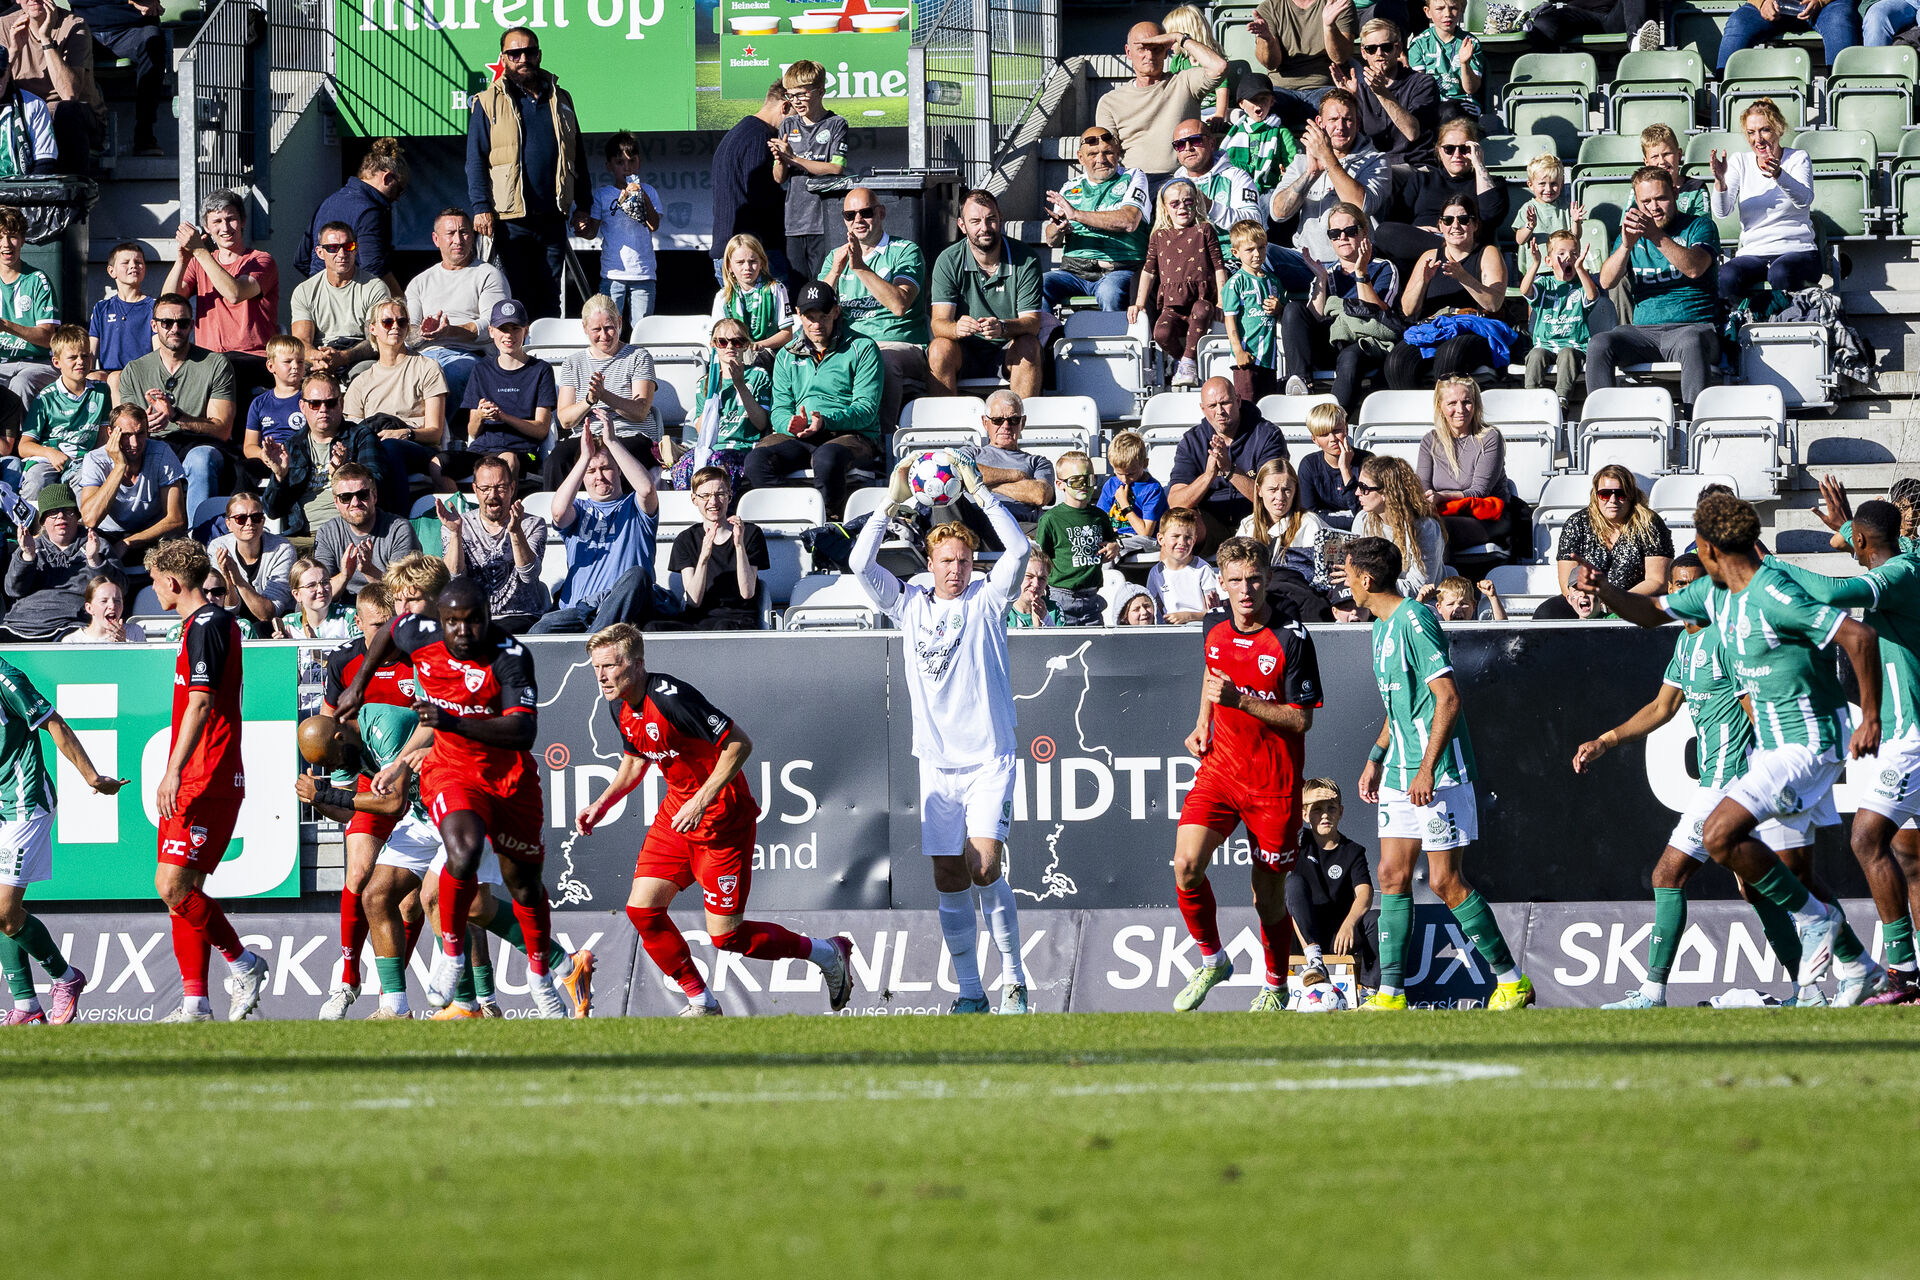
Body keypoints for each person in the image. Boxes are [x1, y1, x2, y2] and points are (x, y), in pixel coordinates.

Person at [1577, 491, 1876, 997]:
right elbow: (1651, 612)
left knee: (1718, 838)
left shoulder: (1773, 592)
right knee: (1793, 873)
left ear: (1710, 548)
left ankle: (1814, 922)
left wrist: (1869, 717)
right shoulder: (1713, 597)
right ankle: (1855, 965)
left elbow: (1859, 638)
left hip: (1808, 743)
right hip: (1776, 751)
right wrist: (1605, 588)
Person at [576, 624, 852, 1016]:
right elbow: (636, 759)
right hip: (677, 815)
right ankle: (701, 1001)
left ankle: (827, 953)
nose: (601, 675)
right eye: (595, 667)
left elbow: (740, 743)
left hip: (723, 819)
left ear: (636, 664)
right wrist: (602, 803)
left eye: (609, 665)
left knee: (726, 937)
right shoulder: (617, 702)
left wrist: (702, 799)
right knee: (642, 910)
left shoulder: (672, 699)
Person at [851, 454, 1035, 1014]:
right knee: (948, 875)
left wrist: (980, 491)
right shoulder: (908, 603)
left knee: (983, 867)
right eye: (945, 560)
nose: (954, 569)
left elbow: (1021, 551)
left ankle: (1015, 978)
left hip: (988, 757)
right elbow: (860, 564)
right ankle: (971, 992)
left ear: (973, 561)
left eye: (962, 559)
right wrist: (890, 500)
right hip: (936, 763)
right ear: (928, 562)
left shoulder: (986, 599)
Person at [335, 579, 568, 1016]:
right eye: (453, 622)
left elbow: (523, 731)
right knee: (456, 855)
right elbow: (390, 630)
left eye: (473, 621)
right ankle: (447, 965)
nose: (463, 632)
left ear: (488, 617)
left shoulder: (510, 656)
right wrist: (359, 683)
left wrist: (452, 722)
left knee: (524, 886)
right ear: (438, 620)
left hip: (508, 777)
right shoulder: (419, 634)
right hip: (452, 772)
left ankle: (543, 973)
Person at [1344, 536, 1532, 1010]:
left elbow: (1446, 698)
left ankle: (1511, 981)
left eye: (1347, 573)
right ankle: (1390, 993)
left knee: (1446, 881)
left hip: (1438, 772)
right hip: (1398, 773)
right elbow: (1399, 705)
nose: (1344, 581)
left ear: (1366, 579)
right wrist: (1375, 756)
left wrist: (1427, 768)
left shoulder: (1415, 618)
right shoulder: (1379, 627)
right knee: (1391, 874)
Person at [1171, 536, 1324, 1012]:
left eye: (1254, 579)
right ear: (1221, 581)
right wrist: (1202, 722)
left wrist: (1243, 703)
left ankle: (1276, 986)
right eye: (1235, 580)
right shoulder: (1213, 625)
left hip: (1274, 785)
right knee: (1187, 866)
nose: (1245, 589)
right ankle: (1214, 959)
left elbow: (1302, 719)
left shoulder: (1292, 638)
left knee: (1267, 899)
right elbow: (1211, 674)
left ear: (1268, 579)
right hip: (1221, 770)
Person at [146, 538, 271, 1021]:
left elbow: (201, 703)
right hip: (203, 774)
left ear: (173, 582)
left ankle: (244, 963)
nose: (154, 588)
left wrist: (172, 770)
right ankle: (195, 1002)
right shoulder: (201, 625)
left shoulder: (207, 623)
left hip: (205, 774)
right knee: (184, 892)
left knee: (173, 887)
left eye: (157, 580)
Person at [0, 653, 124, 1025]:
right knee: (2, 913)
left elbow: (53, 723)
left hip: (23, 801)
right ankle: (25, 1006)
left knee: (4, 911)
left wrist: (92, 777)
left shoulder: (6, 677)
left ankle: (66, 978)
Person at [465, 26, 588, 321]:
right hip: (510, 220)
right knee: (515, 295)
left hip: (552, 216)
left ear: (539, 55)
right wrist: (481, 207)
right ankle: (519, 362)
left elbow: (578, 156)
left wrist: (584, 206)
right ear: (504, 58)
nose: (523, 58)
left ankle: (545, 362)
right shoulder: (487, 101)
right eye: (514, 53)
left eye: (529, 52)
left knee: (550, 295)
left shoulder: (562, 99)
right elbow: (476, 160)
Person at [747, 279, 883, 518]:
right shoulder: (786, 355)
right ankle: (793, 517)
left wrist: (825, 421)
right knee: (756, 460)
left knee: (826, 458)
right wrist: (788, 423)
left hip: (851, 434)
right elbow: (779, 409)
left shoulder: (862, 347)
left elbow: (866, 409)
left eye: (824, 315)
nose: (817, 324)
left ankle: (830, 522)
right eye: (810, 316)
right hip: (800, 435)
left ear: (836, 311)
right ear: (799, 315)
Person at [1590, 166, 1723, 410]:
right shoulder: (1631, 234)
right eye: (1646, 201)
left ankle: (1696, 423)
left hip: (1693, 328)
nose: (1654, 207)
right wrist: (1625, 247)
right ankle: (1603, 423)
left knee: (1692, 341)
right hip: (1644, 332)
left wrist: (1655, 237)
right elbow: (1607, 282)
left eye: (1661, 198)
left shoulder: (1700, 226)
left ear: (1675, 193)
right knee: (1600, 343)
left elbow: (1694, 268)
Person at [530, 418, 663, 635]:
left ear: (619, 471)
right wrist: (584, 458)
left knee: (637, 575)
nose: (599, 476)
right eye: (591, 472)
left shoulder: (635, 506)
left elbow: (647, 489)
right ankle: (595, 637)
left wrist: (611, 441)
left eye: (606, 468)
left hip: (627, 612)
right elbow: (558, 512)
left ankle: (593, 642)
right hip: (580, 610)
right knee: (541, 629)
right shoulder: (578, 509)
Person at [113, 292, 237, 521]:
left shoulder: (215, 364)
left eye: (182, 323)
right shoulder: (135, 369)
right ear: (154, 325)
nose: (174, 328)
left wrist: (176, 415)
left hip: (198, 444)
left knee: (201, 459)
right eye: (167, 322)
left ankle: (196, 536)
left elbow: (222, 429)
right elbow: (125, 426)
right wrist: (146, 424)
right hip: (152, 444)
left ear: (192, 325)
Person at [824, 186, 931, 431]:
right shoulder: (835, 257)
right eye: (850, 215)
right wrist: (835, 272)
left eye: (865, 212)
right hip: (851, 346)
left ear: (881, 213)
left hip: (899, 345)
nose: (858, 220)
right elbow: (818, 309)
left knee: (881, 359)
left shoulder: (905, 251)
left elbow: (899, 305)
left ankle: (880, 442)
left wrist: (861, 267)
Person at [1266, 89, 1391, 294]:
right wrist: (1311, 173)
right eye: (1333, 119)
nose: (1340, 127)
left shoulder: (1377, 161)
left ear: (1358, 123)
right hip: (1308, 262)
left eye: (1347, 120)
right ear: (1320, 122)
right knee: (1263, 254)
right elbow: (1278, 213)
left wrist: (1328, 159)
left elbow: (1361, 205)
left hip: (1352, 263)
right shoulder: (1301, 161)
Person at [1277, 203, 1400, 411]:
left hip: (1365, 342)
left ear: (1364, 232)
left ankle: (1334, 421)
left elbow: (1375, 312)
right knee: (1292, 310)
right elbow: (1313, 319)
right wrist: (1321, 280)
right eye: (1335, 233)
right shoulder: (1328, 273)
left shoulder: (1383, 267)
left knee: (1350, 356)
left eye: (1349, 231)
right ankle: (1301, 386)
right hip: (1331, 341)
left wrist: (1361, 273)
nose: (1342, 237)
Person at [928, 189, 1044, 399]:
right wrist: (956, 329)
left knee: (1029, 345)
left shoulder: (1026, 259)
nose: (984, 228)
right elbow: (938, 324)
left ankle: (1024, 425)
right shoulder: (948, 260)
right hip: (964, 352)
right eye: (975, 221)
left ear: (1000, 218)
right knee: (939, 348)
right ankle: (943, 427)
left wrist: (1003, 327)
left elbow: (1033, 323)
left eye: (990, 219)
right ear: (962, 226)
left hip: (1008, 349)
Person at [1387, 195, 1511, 388]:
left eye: (1463, 220)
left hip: (1473, 329)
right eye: (1448, 220)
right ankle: (1413, 415)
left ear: (1475, 224)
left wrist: (1464, 277)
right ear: (1440, 225)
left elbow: (1493, 304)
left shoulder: (1487, 253)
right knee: (1397, 361)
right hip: (1434, 328)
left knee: (1450, 354)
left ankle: (1447, 415)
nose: (1455, 226)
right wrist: (1423, 280)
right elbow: (1408, 310)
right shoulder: (1429, 257)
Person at [163, 190, 278, 397]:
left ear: (242, 221)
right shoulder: (200, 261)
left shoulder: (261, 260)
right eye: (216, 221)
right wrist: (182, 261)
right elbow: (168, 305)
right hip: (209, 357)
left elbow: (235, 293)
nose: (224, 228)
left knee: (223, 372)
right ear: (207, 227)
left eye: (231, 219)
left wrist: (199, 251)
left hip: (252, 357)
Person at [1712, 99, 1820, 304]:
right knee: (1725, 276)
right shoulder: (1740, 162)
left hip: (1798, 251)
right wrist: (1719, 181)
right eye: (1751, 132)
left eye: (1765, 130)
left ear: (1779, 130)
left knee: (1780, 273)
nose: (1758, 139)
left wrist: (1779, 174)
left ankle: (1785, 328)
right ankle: (1736, 326)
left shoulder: (1798, 158)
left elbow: (1804, 200)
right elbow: (1722, 211)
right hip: (1754, 253)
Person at [259, 371, 388, 539]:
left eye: (331, 403)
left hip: (350, 533)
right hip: (304, 535)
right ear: (302, 406)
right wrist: (279, 476)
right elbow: (273, 511)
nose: (323, 409)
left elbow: (378, 488)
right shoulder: (292, 446)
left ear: (341, 404)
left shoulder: (360, 437)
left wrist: (344, 473)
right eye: (315, 404)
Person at [547, 293, 659, 487]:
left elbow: (640, 411)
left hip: (631, 434)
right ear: (585, 328)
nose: (604, 336)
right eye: (596, 329)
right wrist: (589, 400)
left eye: (609, 328)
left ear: (620, 323)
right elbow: (565, 420)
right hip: (587, 436)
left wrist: (604, 395)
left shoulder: (639, 357)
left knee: (620, 460)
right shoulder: (573, 363)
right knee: (557, 460)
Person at [1095, 20, 1229, 176]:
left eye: (1156, 48)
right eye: (1142, 49)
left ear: (1166, 51)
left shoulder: (1184, 82)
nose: (1149, 55)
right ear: (1129, 52)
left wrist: (1180, 38)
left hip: (1183, 179)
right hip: (1136, 182)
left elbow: (1219, 67)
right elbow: (1106, 150)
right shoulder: (1110, 102)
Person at [350, 297, 448, 507]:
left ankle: (397, 521)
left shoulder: (427, 367)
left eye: (401, 322)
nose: (395, 327)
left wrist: (405, 433)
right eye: (387, 322)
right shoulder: (361, 382)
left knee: (391, 447)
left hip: (418, 446)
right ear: (373, 329)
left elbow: (435, 432)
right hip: (375, 449)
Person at [404, 207, 508, 406]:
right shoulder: (420, 282)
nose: (458, 240)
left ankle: (433, 434)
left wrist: (450, 331)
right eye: (451, 233)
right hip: (424, 357)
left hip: (469, 355)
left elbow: (494, 327)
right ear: (436, 239)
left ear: (472, 237)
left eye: (464, 232)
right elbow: (409, 334)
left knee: (449, 377)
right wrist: (423, 332)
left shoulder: (488, 275)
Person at [1167, 376, 1288, 545]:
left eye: (1225, 403)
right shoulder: (1192, 441)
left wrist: (1230, 470)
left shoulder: (1267, 435)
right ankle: (1166, 572)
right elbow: (1176, 502)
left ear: (1238, 401)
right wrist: (1209, 475)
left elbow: (1275, 496)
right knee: (1177, 523)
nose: (1219, 411)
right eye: (1212, 406)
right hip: (1210, 526)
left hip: (1258, 520)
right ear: (1203, 409)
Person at [1130, 178, 1227, 389]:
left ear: (1196, 203)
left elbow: (1220, 267)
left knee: (1202, 311)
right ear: (1165, 208)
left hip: (1201, 300)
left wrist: (1221, 301)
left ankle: (1188, 362)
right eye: (1175, 203)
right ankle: (1182, 359)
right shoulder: (1158, 236)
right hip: (1172, 304)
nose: (1182, 207)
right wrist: (1138, 303)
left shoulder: (1205, 230)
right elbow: (1148, 271)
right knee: (1161, 334)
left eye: (1188, 202)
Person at [1286, 779, 1380, 996]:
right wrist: (1305, 798)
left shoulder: (1353, 851)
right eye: (1317, 809)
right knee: (1292, 883)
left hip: (1340, 936)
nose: (1325, 815)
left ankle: (1369, 992)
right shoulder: (1296, 843)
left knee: (1376, 919)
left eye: (1331, 808)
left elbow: (1365, 893)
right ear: (1304, 814)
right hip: (1301, 937)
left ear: (1341, 812)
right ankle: (1314, 961)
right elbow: (1278, 814)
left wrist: (1349, 923)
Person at [1371, 118, 1508, 267]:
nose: (1457, 155)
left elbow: (1491, 215)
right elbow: (1395, 221)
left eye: (1464, 149)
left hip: (1467, 250)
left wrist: (1479, 164)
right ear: (1439, 150)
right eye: (1449, 149)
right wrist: (1416, 231)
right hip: (1420, 252)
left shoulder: (1490, 183)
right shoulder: (1422, 180)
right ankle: (1451, 254)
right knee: (1383, 232)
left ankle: (1456, 254)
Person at [1043, 127, 1152, 313]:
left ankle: (1116, 341)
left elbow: (1129, 220)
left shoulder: (1133, 176)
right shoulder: (1070, 187)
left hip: (1119, 269)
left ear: (1118, 153)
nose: (1100, 159)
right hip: (1074, 271)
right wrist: (1058, 228)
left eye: (1108, 152)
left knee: (1110, 292)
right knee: (1038, 284)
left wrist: (1077, 214)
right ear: (1080, 158)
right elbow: (1051, 240)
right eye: (1092, 154)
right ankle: (1046, 337)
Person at [435, 456, 549, 632]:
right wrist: (455, 533)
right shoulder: (457, 524)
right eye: (485, 488)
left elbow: (529, 574)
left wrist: (516, 531)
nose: (493, 495)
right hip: (472, 617)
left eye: (500, 488)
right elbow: (454, 578)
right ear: (475, 489)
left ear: (512, 488)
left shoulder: (532, 524)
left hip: (520, 616)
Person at [655, 466, 767, 631]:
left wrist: (739, 545)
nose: (713, 502)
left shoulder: (750, 533)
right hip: (698, 619)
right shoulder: (686, 539)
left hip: (737, 619)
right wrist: (704, 557)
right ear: (695, 499)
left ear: (730, 495)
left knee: (723, 627)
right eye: (705, 496)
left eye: (720, 494)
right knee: (653, 627)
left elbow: (747, 592)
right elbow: (693, 600)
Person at [665, 316, 770, 492]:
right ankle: (691, 514)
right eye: (722, 342)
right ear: (713, 345)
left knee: (716, 463)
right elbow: (702, 430)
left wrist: (740, 386)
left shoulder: (758, 375)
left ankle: (722, 515)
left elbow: (761, 423)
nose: (729, 347)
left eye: (737, 342)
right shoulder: (705, 383)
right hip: (711, 448)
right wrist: (712, 391)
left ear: (746, 345)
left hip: (743, 447)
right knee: (683, 466)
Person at [0, 0, 106, 171]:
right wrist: (12, 53)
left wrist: (46, 40)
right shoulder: (4, 26)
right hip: (27, 116)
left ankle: (74, 190)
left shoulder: (74, 25)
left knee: (67, 110)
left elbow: (69, 94)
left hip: (68, 117)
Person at [770, 59, 849, 286]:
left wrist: (794, 158)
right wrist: (781, 160)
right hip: (794, 222)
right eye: (790, 95)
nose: (795, 101)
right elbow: (779, 177)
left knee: (823, 285)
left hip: (823, 221)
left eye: (801, 94)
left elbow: (836, 168)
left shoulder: (836, 124)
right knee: (796, 287)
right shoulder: (787, 125)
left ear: (820, 91)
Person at [457, 298, 554, 481]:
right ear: (492, 331)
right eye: (503, 329)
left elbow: (541, 430)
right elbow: (472, 431)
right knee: (438, 465)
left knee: (507, 460)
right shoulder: (480, 369)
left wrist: (503, 417)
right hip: (481, 452)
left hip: (527, 453)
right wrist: (480, 415)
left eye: (515, 329)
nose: (509, 335)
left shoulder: (541, 370)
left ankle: (506, 509)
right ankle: (460, 509)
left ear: (525, 330)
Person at [74, 402, 184, 562]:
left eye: (140, 434)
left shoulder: (161, 453)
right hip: (108, 534)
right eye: (125, 435)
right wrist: (119, 466)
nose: (134, 443)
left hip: (153, 532)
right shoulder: (95, 459)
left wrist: (128, 543)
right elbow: (90, 519)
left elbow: (176, 519)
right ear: (111, 433)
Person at [5, 481, 116, 631]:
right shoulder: (30, 546)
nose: (61, 516)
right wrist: (28, 557)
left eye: (68, 510)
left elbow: (119, 589)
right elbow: (13, 590)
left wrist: (94, 561)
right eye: (53, 512)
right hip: (21, 624)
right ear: (43, 520)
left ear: (77, 516)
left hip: (73, 626)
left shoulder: (96, 544)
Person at [710, 82, 790, 285]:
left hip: (732, 252)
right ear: (785, 107)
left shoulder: (739, 133)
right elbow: (761, 197)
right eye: (796, 117)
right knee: (773, 316)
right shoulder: (760, 137)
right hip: (752, 255)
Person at [301, 138, 407, 291]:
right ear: (387, 178)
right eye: (399, 190)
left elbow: (302, 259)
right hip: (353, 303)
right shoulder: (370, 212)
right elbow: (374, 268)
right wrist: (401, 305)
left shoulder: (327, 203)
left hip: (318, 297)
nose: (397, 198)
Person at [1331, 18, 1439, 169]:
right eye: (1371, 49)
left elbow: (1412, 133)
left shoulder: (1422, 83)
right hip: (1371, 167)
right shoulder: (1359, 89)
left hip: (1414, 166)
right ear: (1363, 52)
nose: (1379, 53)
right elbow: (1348, 144)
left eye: (1386, 47)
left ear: (1398, 48)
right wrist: (1350, 103)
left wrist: (1382, 93)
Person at [1417, 376, 1508, 553]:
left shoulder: (1489, 437)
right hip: (1442, 514)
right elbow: (1423, 489)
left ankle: (1445, 580)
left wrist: (1441, 497)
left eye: (1467, 402)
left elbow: (1479, 491)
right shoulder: (1430, 440)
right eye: (1452, 403)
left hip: (1486, 517)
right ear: (1440, 406)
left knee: (1437, 529)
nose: (1460, 410)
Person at [579, 131, 661, 326]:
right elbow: (592, 233)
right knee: (609, 327)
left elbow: (654, 225)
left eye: (632, 161)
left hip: (643, 273)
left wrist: (641, 195)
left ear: (639, 162)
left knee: (642, 328)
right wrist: (583, 228)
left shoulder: (649, 191)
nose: (626, 168)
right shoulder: (603, 195)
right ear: (609, 166)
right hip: (612, 274)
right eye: (619, 163)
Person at [1555, 465, 1673, 598]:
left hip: (1636, 600)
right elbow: (1567, 583)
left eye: (1620, 494)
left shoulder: (1650, 523)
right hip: (1586, 600)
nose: (1612, 500)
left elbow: (1657, 581)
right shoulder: (1577, 523)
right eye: (1605, 494)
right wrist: (1591, 603)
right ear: (1596, 496)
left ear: (1631, 495)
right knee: (1546, 612)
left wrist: (1617, 602)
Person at [290, 221, 390, 376]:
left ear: (355, 249)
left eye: (348, 246)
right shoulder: (305, 291)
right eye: (332, 248)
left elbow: (377, 339)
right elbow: (301, 341)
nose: (342, 254)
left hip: (357, 355)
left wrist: (344, 357)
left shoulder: (375, 287)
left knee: (365, 373)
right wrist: (318, 357)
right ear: (319, 252)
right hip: (320, 354)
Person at [20, 322, 109, 495]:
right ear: (56, 362)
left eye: (85, 356)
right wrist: (50, 453)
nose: (80, 362)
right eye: (72, 357)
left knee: (88, 483)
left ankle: (85, 522)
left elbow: (103, 437)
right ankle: (32, 523)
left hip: (84, 461)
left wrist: (95, 461)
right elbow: (24, 446)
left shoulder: (101, 392)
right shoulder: (46, 397)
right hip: (48, 461)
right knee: (36, 483)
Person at [68, 0, 166, 155]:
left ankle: (145, 135)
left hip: (132, 30)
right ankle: (90, 134)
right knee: (68, 43)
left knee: (153, 40)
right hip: (87, 32)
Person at [1036, 449, 1120, 626]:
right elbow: (1042, 559)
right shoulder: (1051, 519)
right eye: (1075, 481)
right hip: (1060, 596)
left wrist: (1114, 545)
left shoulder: (1100, 516)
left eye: (1089, 479)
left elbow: (1111, 541)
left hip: (1092, 597)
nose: (1084, 485)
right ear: (1060, 484)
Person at [1239, 457, 1331, 617]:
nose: (1280, 497)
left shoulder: (1310, 523)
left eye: (1286, 490)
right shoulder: (1248, 525)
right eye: (1272, 490)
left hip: (1301, 604)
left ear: (1295, 490)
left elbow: (1327, 574)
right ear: (1259, 490)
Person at [312, 461, 419, 598]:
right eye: (346, 497)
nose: (355, 503)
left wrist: (369, 570)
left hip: (386, 609)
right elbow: (318, 592)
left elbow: (404, 592)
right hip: (343, 611)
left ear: (374, 496)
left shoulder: (399, 530)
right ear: (336, 502)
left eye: (362, 495)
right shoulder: (327, 533)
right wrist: (345, 575)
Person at [1249, 0, 1360, 125]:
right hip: (1282, 89)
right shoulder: (1269, 7)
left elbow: (1341, 57)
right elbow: (1271, 63)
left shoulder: (1338, 4)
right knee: (1262, 115)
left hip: (1324, 86)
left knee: (1337, 116)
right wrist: (1268, 40)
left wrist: (1330, 26)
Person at [1522, 229, 1599, 407]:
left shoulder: (1581, 286)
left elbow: (1593, 295)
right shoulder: (1544, 284)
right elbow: (1525, 290)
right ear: (1549, 261)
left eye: (1574, 253)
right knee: (1535, 354)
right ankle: (1531, 398)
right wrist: (1535, 264)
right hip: (1545, 343)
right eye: (1561, 253)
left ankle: (1561, 399)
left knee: (1567, 354)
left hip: (1574, 345)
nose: (1568, 258)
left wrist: (1580, 269)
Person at [1351, 454, 1446, 598]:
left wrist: (1368, 582)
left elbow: (1418, 588)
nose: (1357, 493)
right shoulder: (1362, 520)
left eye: (1364, 488)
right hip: (1373, 601)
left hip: (1419, 605)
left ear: (1386, 493)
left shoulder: (1425, 528)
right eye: (1359, 486)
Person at [1168, 118, 1260, 257]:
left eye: (1195, 140)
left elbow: (1255, 224)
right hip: (1188, 261)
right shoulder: (1173, 185)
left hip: (1231, 258)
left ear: (1211, 144)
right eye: (1180, 144)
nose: (1188, 147)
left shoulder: (1236, 176)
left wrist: (1210, 206)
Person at [966, 389, 1056, 530]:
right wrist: (1015, 475)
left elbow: (1040, 495)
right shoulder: (970, 454)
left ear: (1023, 422)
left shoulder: (1038, 462)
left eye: (1013, 420)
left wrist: (980, 485)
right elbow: (959, 471)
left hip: (1019, 526)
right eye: (997, 420)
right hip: (975, 523)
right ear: (985, 422)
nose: (1006, 426)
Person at [206, 490, 294, 629]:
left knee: (260, 628)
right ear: (228, 524)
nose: (249, 523)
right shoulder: (218, 547)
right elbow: (229, 609)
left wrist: (239, 580)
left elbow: (268, 614)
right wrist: (228, 580)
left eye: (256, 517)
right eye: (241, 518)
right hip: (234, 625)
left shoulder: (282, 549)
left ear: (263, 520)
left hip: (275, 627)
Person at [0, 205, 56, 418]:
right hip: (2, 363)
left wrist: (6, 326)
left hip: (36, 364)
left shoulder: (37, 280)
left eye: (12, 236)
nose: (6, 244)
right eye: (0, 237)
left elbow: (48, 338)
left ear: (23, 240)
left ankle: (19, 446)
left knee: (21, 383)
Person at [1221, 221, 1282, 405]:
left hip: (1269, 360)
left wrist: (1279, 308)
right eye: (1250, 249)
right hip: (1246, 359)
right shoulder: (1235, 283)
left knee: (1269, 409)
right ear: (1235, 253)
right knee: (1247, 408)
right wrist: (1238, 350)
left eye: (1261, 248)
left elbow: (1282, 313)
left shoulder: (1274, 281)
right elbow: (1229, 319)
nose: (1257, 254)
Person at [713, 234, 794, 362]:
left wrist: (759, 345)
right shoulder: (722, 296)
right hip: (734, 354)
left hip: (769, 353)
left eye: (753, 261)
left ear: (761, 262)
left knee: (752, 357)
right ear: (729, 266)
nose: (747, 268)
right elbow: (717, 339)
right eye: (740, 262)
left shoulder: (775, 289)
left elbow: (787, 334)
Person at [88, 241, 153, 399]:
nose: (133, 266)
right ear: (112, 271)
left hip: (141, 374)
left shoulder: (153, 307)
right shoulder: (101, 308)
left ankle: (118, 424)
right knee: (90, 379)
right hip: (107, 372)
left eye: (138, 262)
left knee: (116, 379)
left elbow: (158, 353)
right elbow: (91, 351)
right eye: (125, 262)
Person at [1716, 0, 1861, 69]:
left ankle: (1843, 100)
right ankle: (1723, 106)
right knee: (1738, 23)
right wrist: (1762, 2)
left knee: (1839, 22)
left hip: (1828, 6)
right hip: (1774, 4)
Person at [1220, 74, 1299, 200]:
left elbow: (1292, 162)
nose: (1259, 104)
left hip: (1268, 187)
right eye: (1253, 100)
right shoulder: (1235, 133)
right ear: (1241, 103)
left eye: (1263, 99)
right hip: (1237, 186)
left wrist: (1286, 174)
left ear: (1272, 101)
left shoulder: (1281, 132)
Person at [1512, 153, 1586, 281]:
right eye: (1542, 184)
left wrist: (1576, 221)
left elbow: (1576, 236)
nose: (1548, 189)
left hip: (1564, 267)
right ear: (1530, 185)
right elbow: (1520, 240)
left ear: (1561, 183)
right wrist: (1529, 226)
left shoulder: (1566, 208)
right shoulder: (1528, 208)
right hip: (1538, 269)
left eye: (1553, 184)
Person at [1295, 401, 1371, 525]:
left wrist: (1345, 469)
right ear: (1315, 440)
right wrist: (1352, 522)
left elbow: (1364, 514)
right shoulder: (1309, 465)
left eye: (1336, 431)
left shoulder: (1367, 460)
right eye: (1324, 434)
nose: (1332, 439)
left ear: (1346, 429)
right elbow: (1308, 516)